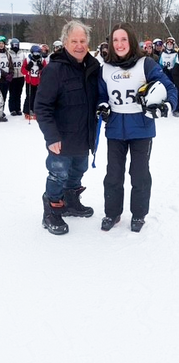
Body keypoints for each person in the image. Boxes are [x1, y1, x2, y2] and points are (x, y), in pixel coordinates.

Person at [97, 22, 177, 232]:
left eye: (123, 39)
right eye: (115, 40)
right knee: (113, 174)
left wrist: (167, 105)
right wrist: (102, 105)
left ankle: (139, 214)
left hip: (141, 128)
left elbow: (168, 87)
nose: (119, 44)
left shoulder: (145, 64)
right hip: (115, 128)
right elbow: (101, 94)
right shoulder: (105, 68)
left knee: (139, 173)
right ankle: (112, 213)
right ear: (110, 43)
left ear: (131, 41)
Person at [34, 20, 101, 235]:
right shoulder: (54, 70)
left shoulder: (93, 67)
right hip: (61, 139)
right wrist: (51, 137)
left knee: (78, 171)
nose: (79, 45)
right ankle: (52, 210)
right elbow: (42, 106)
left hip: (84, 136)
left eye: (83, 41)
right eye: (74, 41)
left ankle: (70, 201)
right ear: (65, 42)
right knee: (58, 174)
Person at [21, 45, 46, 120]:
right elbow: (23, 71)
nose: (36, 55)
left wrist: (41, 67)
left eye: (38, 54)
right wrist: (28, 67)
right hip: (30, 81)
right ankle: (27, 110)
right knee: (29, 96)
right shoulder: (28, 60)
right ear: (31, 53)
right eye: (35, 54)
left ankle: (35, 109)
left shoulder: (42, 60)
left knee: (37, 97)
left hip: (38, 82)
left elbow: (46, 72)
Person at [8, 38, 27, 116]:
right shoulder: (9, 53)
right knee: (12, 93)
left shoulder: (21, 53)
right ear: (11, 45)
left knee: (19, 93)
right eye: (14, 45)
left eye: (16, 45)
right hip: (12, 76)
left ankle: (18, 108)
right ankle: (12, 109)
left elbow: (24, 63)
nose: (15, 46)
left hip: (20, 76)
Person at [0, 36, 13, 122]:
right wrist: (5, 74)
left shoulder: (7, 54)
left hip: (5, 79)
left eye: (2, 43)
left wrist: (11, 74)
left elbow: (11, 65)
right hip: (1, 77)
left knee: (4, 96)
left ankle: (1, 111)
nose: (1, 45)